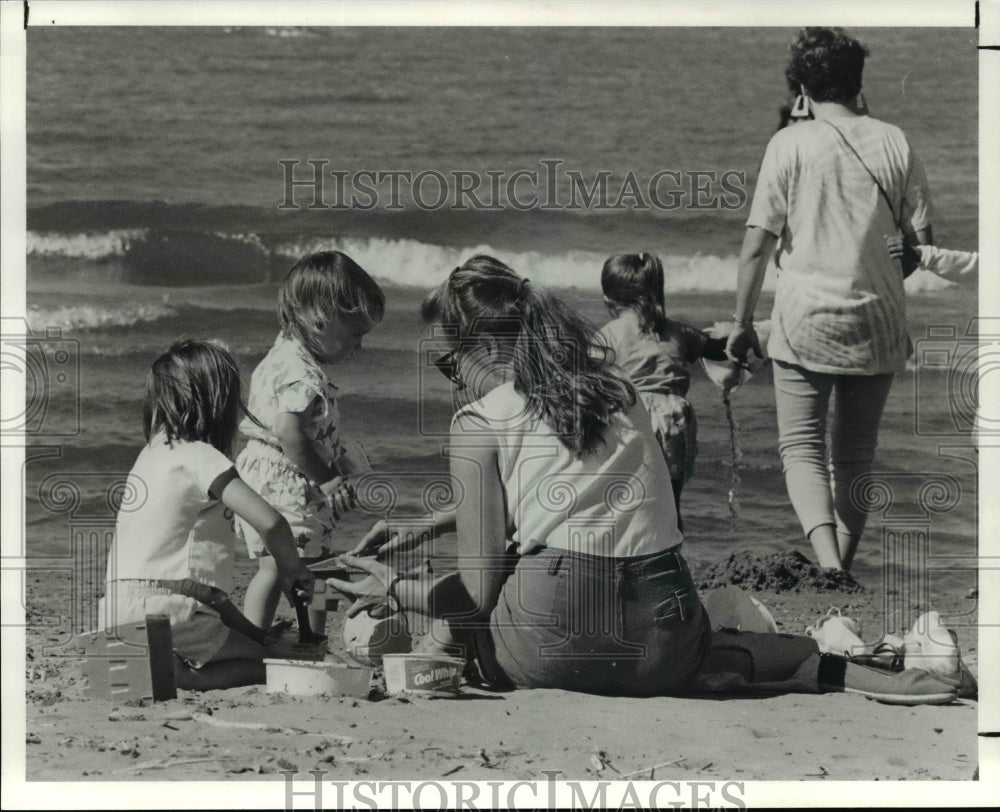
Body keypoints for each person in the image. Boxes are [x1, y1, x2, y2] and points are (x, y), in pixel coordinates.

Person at [329, 257, 962, 704]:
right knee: (755, 649)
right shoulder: (616, 390)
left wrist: (392, 589)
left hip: (549, 647)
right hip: (664, 646)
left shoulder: (476, 422)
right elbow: (575, 489)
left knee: (460, 616)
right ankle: (876, 672)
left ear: (485, 349)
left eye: (448, 363)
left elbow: (478, 590)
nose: (449, 381)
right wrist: (433, 523)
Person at [726, 27, 934, 572]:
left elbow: (755, 246)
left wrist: (741, 321)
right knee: (855, 454)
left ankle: (830, 568)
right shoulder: (896, 140)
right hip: (880, 319)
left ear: (801, 88)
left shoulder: (788, 144)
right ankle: (837, 564)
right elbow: (921, 250)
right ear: (858, 82)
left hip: (807, 319)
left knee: (801, 447)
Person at [98, 340, 315, 690]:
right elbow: (271, 522)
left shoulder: (149, 458)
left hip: (116, 612)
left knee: (248, 643)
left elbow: (200, 591)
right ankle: (216, 675)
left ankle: (166, 668)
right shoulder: (200, 455)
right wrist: (293, 569)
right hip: (168, 611)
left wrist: (255, 634)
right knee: (279, 661)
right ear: (219, 405)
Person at [236, 251, 384, 631]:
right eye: (356, 336)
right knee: (296, 568)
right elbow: (289, 431)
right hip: (285, 479)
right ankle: (293, 639)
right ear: (321, 319)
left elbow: (309, 428)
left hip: (265, 475)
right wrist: (329, 479)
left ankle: (291, 638)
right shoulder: (302, 374)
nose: (360, 348)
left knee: (296, 564)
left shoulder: (282, 355)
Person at [597, 252, 733, 530]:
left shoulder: (608, 335)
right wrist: (730, 332)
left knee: (631, 501)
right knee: (670, 503)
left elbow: (583, 373)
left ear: (609, 301)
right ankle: (672, 559)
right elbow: (720, 351)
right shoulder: (678, 331)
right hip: (676, 420)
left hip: (634, 419)